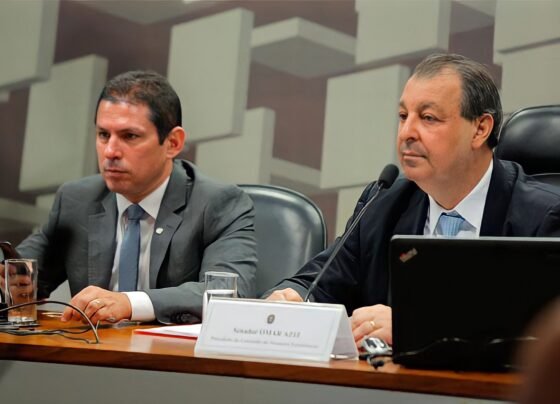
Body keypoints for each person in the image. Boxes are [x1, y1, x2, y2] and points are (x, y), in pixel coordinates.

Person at [265, 53, 560, 347]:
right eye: (404, 116)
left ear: (480, 129)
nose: (407, 133)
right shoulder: (383, 204)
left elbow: (541, 335)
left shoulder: (544, 216)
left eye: (428, 118)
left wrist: (414, 326)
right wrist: (291, 299)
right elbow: (318, 283)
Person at [8, 70, 257, 324]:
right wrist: (10, 282)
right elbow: (21, 275)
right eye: (103, 135)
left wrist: (129, 303)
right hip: (92, 349)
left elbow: (226, 294)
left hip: (171, 349)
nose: (110, 151)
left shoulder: (219, 204)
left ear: (173, 143)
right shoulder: (77, 200)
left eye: (130, 136)